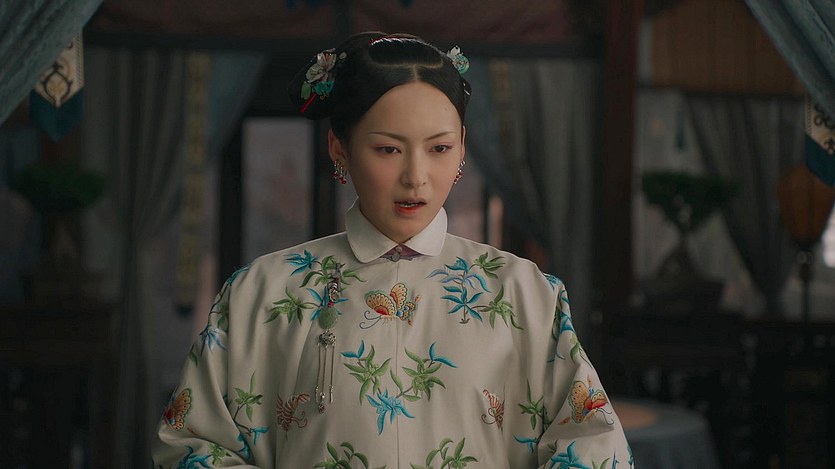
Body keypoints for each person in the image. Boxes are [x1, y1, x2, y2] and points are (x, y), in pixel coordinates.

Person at [153, 31, 631, 468]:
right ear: (339, 148)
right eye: (388, 149)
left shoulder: (523, 292)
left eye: (439, 148)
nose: (416, 177)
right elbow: (192, 446)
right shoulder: (262, 291)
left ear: (463, 147)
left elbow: (595, 446)